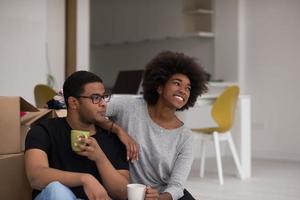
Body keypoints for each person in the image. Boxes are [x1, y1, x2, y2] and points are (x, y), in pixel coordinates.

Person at [105, 51, 208, 200]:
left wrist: (159, 197)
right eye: (177, 83)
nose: (183, 91)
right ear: (159, 87)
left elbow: (177, 186)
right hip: (128, 192)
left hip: (163, 196)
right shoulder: (129, 106)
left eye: (188, 88)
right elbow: (94, 110)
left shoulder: (185, 137)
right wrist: (118, 130)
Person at [24, 71, 129, 200]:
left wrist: (100, 158)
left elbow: (124, 193)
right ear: (74, 102)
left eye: (104, 97)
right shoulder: (44, 130)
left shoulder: (113, 139)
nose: (103, 103)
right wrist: (84, 179)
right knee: (57, 190)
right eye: (95, 98)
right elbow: (36, 176)